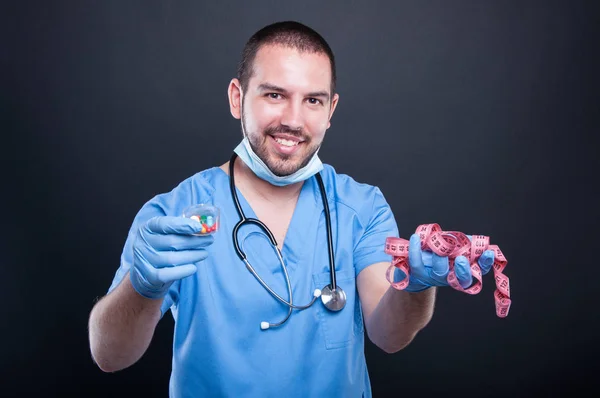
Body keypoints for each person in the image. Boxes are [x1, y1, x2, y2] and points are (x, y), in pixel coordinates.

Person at [88, 20, 496, 397]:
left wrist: (418, 286)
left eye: (313, 100)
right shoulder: (176, 214)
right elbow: (109, 355)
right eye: (274, 95)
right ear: (237, 97)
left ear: (331, 110)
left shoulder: (361, 207)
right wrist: (140, 288)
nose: (293, 120)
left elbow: (389, 335)